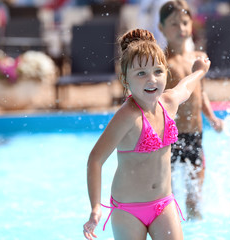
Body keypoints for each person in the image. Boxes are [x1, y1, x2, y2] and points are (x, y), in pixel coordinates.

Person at [83, 28, 210, 240]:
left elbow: (184, 88)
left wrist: (199, 72)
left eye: (157, 71)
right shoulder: (127, 117)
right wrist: (96, 206)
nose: (151, 80)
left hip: (163, 203)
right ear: (126, 80)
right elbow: (95, 159)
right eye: (141, 73)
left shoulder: (168, 104)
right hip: (128, 210)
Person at [158, 0, 223, 220]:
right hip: (169, 139)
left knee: (195, 199)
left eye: (185, 22)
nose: (181, 28)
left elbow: (200, 92)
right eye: (174, 24)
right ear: (161, 28)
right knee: (169, 198)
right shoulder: (162, 62)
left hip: (195, 136)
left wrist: (212, 117)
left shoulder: (198, 57)